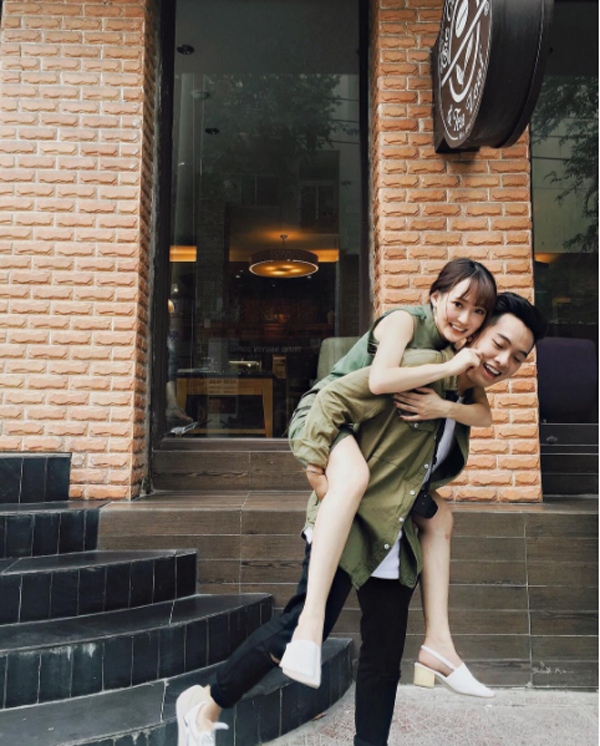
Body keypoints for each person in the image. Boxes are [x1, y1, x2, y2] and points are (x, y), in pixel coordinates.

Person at [175, 292, 548, 746]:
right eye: (499, 344)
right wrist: (315, 465)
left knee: (384, 659)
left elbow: (429, 459)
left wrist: (444, 416)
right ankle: (207, 704)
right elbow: (334, 399)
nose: (504, 361)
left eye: (518, 357)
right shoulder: (419, 367)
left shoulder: (464, 393)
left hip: (395, 533)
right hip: (349, 523)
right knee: (297, 629)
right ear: (474, 332)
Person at [281, 258, 497, 689]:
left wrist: (443, 405)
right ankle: (308, 628)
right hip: (325, 416)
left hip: (357, 430)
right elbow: (381, 381)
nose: (465, 319)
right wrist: (450, 370)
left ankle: (440, 644)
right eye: (458, 304)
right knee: (353, 479)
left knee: (441, 518)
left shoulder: (455, 351)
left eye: (478, 312)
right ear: (435, 297)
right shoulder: (404, 322)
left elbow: (483, 415)